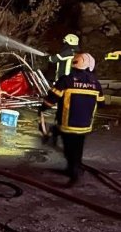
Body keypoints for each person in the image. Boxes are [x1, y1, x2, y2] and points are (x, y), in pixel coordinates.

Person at [38, 52, 104, 187]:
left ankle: (74, 174)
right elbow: (102, 103)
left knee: (69, 148)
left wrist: (42, 109)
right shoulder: (95, 83)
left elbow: (51, 100)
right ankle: (72, 169)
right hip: (85, 124)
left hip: (67, 123)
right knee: (78, 147)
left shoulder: (66, 80)